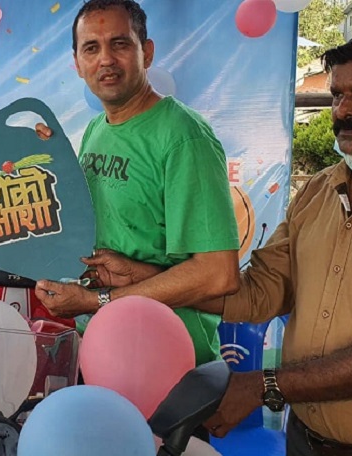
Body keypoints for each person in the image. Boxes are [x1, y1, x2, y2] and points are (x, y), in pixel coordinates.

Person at [91, 24, 352, 455]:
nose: (343, 111)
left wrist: (264, 385)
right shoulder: (318, 191)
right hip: (306, 438)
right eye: (337, 95)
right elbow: (261, 292)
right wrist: (145, 276)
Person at [34, 0, 240, 367]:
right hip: (105, 350)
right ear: (77, 64)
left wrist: (97, 301)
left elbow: (217, 273)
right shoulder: (97, 129)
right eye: (91, 48)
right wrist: (52, 169)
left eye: (120, 44)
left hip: (165, 359)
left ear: (147, 52)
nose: (106, 59)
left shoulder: (183, 136)